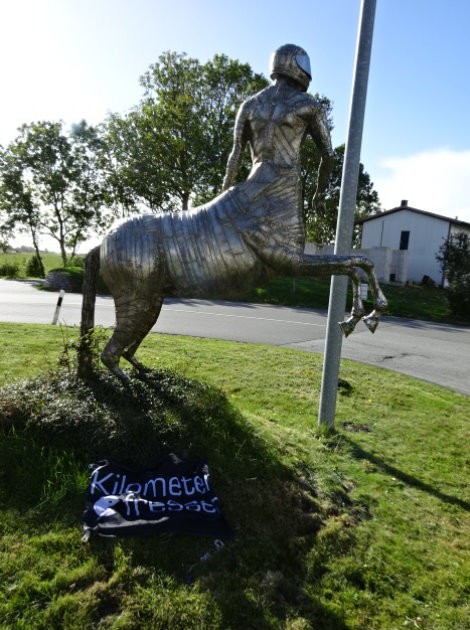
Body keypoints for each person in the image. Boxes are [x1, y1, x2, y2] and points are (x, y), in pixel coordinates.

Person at [221, 43, 334, 260]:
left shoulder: (250, 105)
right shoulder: (310, 106)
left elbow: (235, 156)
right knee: (295, 254)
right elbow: (328, 155)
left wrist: (223, 198)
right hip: (284, 191)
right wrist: (319, 193)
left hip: (252, 189)